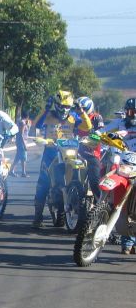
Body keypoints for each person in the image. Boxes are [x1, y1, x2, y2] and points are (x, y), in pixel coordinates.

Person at [31, 90, 91, 228]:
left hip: (69, 151)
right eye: (62, 106)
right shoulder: (49, 115)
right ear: (56, 105)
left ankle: (76, 195)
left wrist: (81, 111)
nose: (65, 109)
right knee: (43, 182)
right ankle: (38, 217)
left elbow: (87, 127)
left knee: (81, 169)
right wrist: (45, 109)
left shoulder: (73, 116)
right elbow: (37, 124)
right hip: (51, 151)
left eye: (67, 106)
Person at [100, 97, 136, 254]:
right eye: (129, 111)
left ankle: (129, 241)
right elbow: (104, 130)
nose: (132, 114)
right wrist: (96, 135)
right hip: (122, 164)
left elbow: (128, 132)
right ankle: (100, 208)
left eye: (134, 111)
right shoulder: (119, 123)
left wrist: (126, 132)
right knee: (122, 199)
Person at [74, 96, 104, 199]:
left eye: (83, 109)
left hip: (91, 153)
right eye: (78, 109)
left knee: (94, 181)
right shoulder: (74, 117)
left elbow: (101, 133)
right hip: (75, 151)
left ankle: (99, 202)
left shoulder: (97, 117)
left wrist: (92, 136)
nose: (80, 111)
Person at [10, 111, 32, 177]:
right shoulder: (22, 123)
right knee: (23, 157)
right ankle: (23, 173)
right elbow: (21, 134)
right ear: (27, 117)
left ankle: (13, 171)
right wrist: (24, 144)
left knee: (19, 157)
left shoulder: (20, 122)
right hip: (22, 142)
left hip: (20, 142)